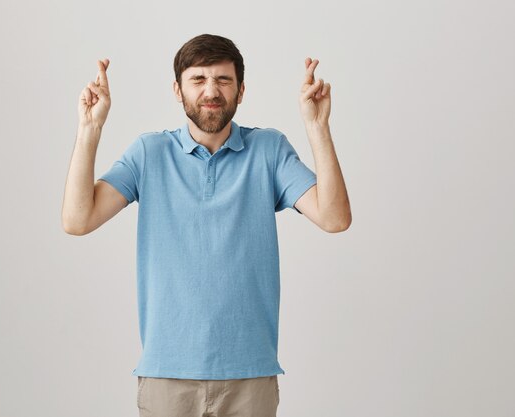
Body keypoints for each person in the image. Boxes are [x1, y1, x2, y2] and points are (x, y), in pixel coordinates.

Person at [62, 34, 351, 417]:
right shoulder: (149, 153)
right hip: (167, 374)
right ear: (177, 90)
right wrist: (89, 129)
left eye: (223, 80)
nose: (211, 91)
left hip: (249, 374)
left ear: (241, 90)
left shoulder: (269, 150)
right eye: (198, 80)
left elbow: (334, 218)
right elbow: (78, 220)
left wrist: (317, 127)